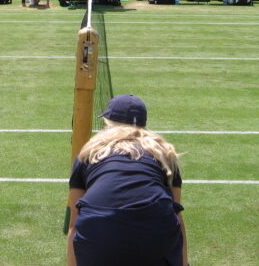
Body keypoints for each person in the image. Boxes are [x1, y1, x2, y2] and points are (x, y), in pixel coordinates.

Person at [67, 95, 188, 266]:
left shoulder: (88, 154)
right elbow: (176, 214)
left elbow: (74, 224)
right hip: (156, 227)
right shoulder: (163, 153)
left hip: (98, 229)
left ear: (108, 123)